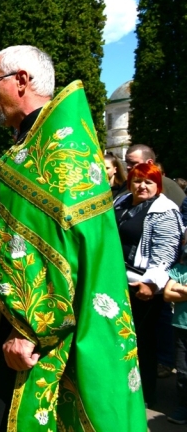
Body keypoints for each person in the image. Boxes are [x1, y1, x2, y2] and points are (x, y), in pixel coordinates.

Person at [0, 45, 146, 431]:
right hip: (10, 325)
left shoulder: (61, 154)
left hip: (37, 340)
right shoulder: (28, 151)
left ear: (22, 81)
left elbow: (65, 252)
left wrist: (31, 330)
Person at [114, 162, 183, 406]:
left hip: (142, 286)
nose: (142, 186)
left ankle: (143, 397)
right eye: (137, 180)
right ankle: (119, 392)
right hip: (115, 280)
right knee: (116, 340)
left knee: (141, 342)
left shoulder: (164, 210)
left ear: (158, 184)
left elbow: (165, 253)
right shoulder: (120, 203)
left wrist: (151, 283)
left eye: (148, 181)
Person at [163, 234, 187, 424]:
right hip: (181, 326)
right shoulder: (180, 269)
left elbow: (174, 290)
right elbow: (167, 294)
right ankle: (183, 406)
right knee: (183, 370)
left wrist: (182, 289)